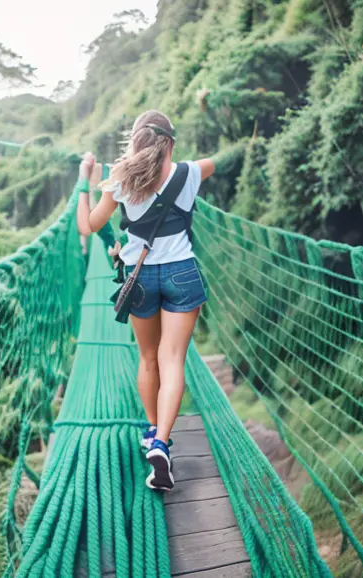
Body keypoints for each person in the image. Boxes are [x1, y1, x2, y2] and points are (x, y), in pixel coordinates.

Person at [74, 110, 215, 492]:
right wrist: (175, 160)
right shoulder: (188, 174)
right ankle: (161, 445)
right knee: (174, 360)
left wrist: (85, 184)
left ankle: (155, 432)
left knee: (148, 357)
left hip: (139, 276)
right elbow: (212, 163)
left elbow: (87, 226)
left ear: (135, 141)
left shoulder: (118, 180)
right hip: (182, 273)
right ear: (169, 142)